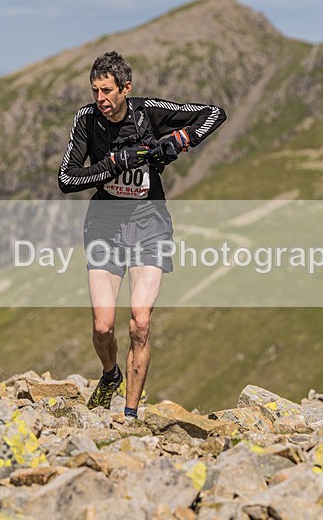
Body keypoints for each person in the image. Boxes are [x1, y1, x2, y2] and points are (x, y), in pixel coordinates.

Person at [58, 51, 226, 419]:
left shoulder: (148, 112)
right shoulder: (86, 119)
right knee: (103, 327)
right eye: (94, 90)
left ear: (125, 88)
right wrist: (114, 163)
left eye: (107, 91)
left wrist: (179, 139)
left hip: (150, 224)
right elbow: (67, 178)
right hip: (104, 226)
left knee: (141, 322)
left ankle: (129, 415)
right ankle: (110, 373)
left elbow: (214, 113)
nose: (100, 99)